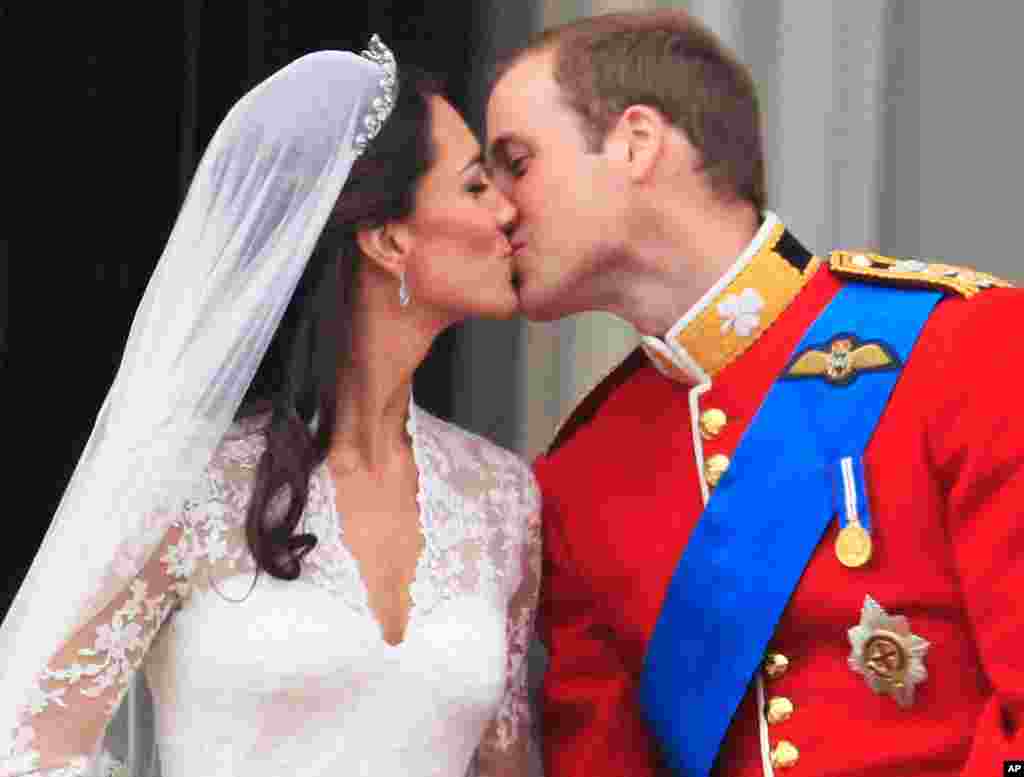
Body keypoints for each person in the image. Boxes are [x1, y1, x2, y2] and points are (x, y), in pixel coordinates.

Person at [485, 9, 1022, 777]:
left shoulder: (965, 346)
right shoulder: (582, 472)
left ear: (636, 142)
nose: (498, 208)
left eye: (518, 162)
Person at [1, 37, 540, 777]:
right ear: (389, 239)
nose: (509, 211)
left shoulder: (502, 499)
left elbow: (508, 764)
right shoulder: (190, 483)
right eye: (476, 186)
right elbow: (28, 742)